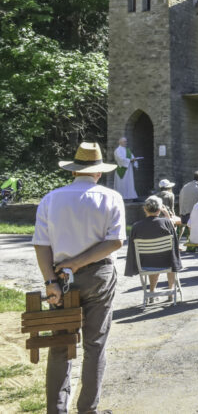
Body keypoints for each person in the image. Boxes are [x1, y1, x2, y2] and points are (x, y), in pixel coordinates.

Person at [33, 142, 125, 413]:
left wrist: (50, 280)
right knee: (95, 344)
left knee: (61, 343)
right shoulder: (110, 197)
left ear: (73, 171)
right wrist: (79, 262)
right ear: (98, 172)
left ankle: (56, 409)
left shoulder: (51, 198)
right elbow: (115, 242)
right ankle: (88, 408)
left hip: (60, 277)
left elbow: (41, 244)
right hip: (98, 274)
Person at [124, 195, 182, 294]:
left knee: (152, 257)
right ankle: (171, 290)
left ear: (145, 209)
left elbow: (132, 249)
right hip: (167, 263)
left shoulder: (136, 226)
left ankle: (151, 290)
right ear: (160, 209)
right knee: (169, 256)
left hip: (146, 264)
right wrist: (167, 215)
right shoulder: (166, 223)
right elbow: (175, 244)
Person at [112, 136, 139, 201]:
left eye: (126, 141)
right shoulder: (117, 150)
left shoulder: (127, 150)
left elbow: (132, 157)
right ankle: (121, 197)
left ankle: (129, 197)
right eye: (124, 141)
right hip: (122, 169)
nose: (126, 143)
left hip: (129, 169)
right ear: (120, 142)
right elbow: (120, 159)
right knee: (122, 184)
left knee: (129, 183)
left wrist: (135, 161)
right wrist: (130, 160)